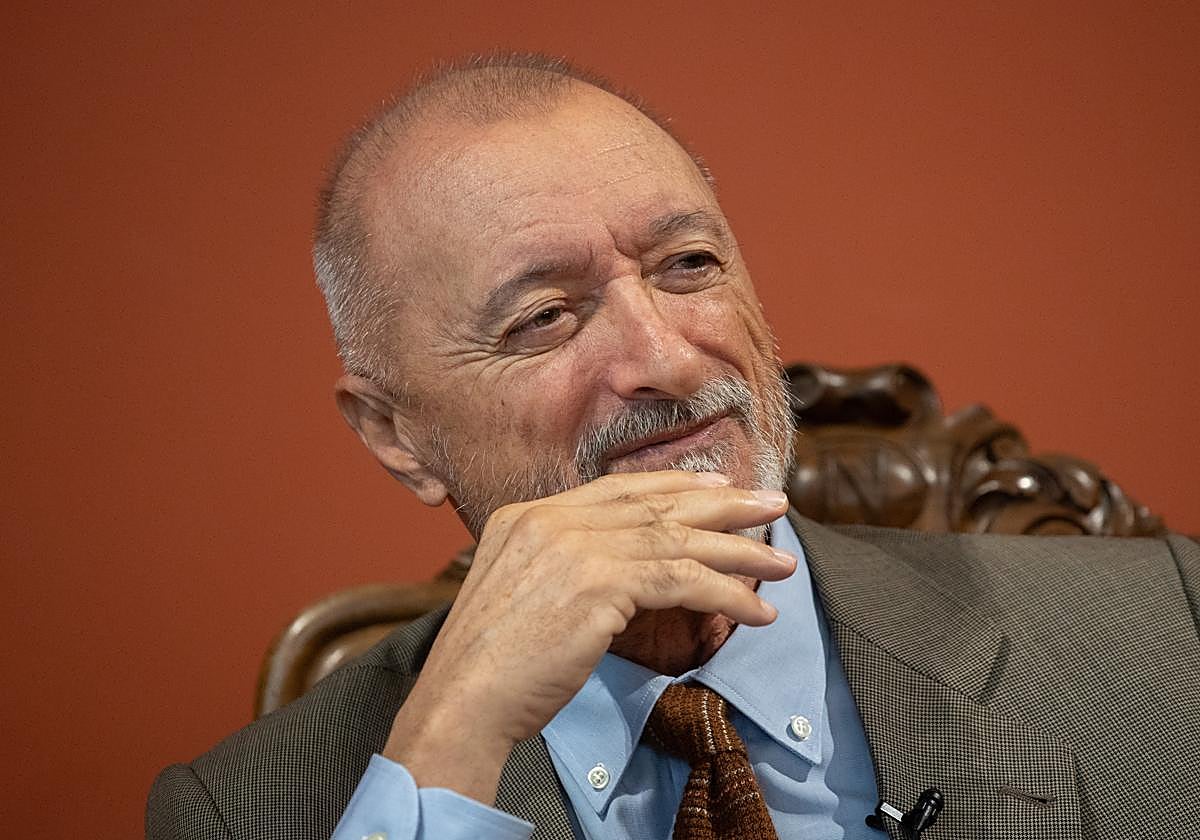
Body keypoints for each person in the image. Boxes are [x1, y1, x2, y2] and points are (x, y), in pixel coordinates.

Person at [147, 54, 1200, 840]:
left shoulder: (1165, 635)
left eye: (688, 263)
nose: (664, 355)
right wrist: (449, 748)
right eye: (545, 318)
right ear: (397, 433)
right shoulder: (246, 811)